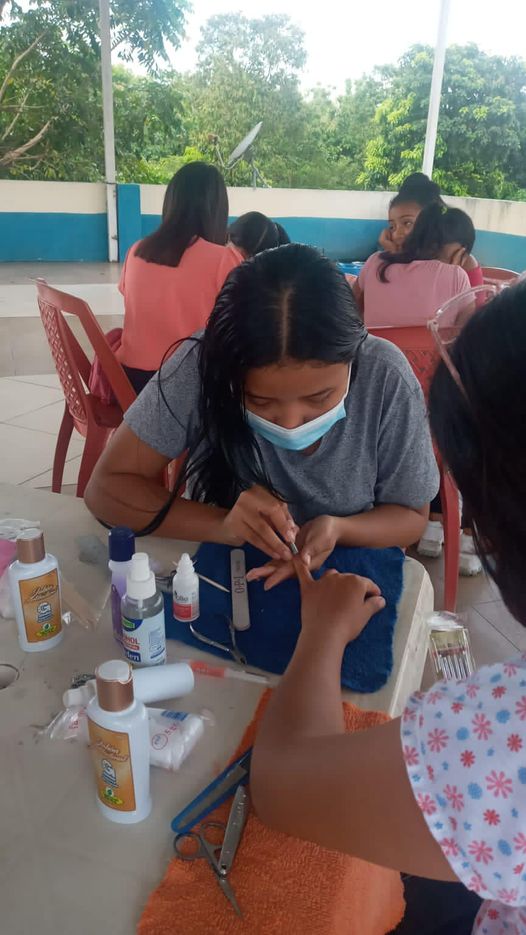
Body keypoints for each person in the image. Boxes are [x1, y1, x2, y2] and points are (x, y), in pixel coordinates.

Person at [251, 281, 526, 935]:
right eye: (263, 402)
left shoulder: (499, 744)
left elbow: (283, 786)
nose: (292, 423)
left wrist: (323, 629)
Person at [85, 244, 438, 583]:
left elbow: (411, 515)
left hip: (345, 573)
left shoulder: (385, 377)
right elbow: (106, 488)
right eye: (260, 401)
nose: (290, 423)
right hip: (223, 568)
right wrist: (223, 524)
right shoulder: (203, 364)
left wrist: (340, 528)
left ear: (352, 357)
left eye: (319, 397)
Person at [116, 162, 241, 394]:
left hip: (130, 383)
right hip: (187, 390)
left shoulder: (137, 251)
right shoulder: (224, 260)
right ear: (217, 209)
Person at [355, 203, 473, 327]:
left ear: (416, 234)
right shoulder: (456, 276)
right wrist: (454, 273)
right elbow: (466, 331)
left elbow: (351, 304)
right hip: (429, 341)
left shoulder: (375, 261)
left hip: (372, 340)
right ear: (462, 253)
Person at [379, 173, 483, 288]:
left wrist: (451, 277)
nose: (396, 234)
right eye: (392, 227)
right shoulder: (386, 261)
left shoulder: (462, 261)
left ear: (432, 221)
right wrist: (394, 256)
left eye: (408, 223)